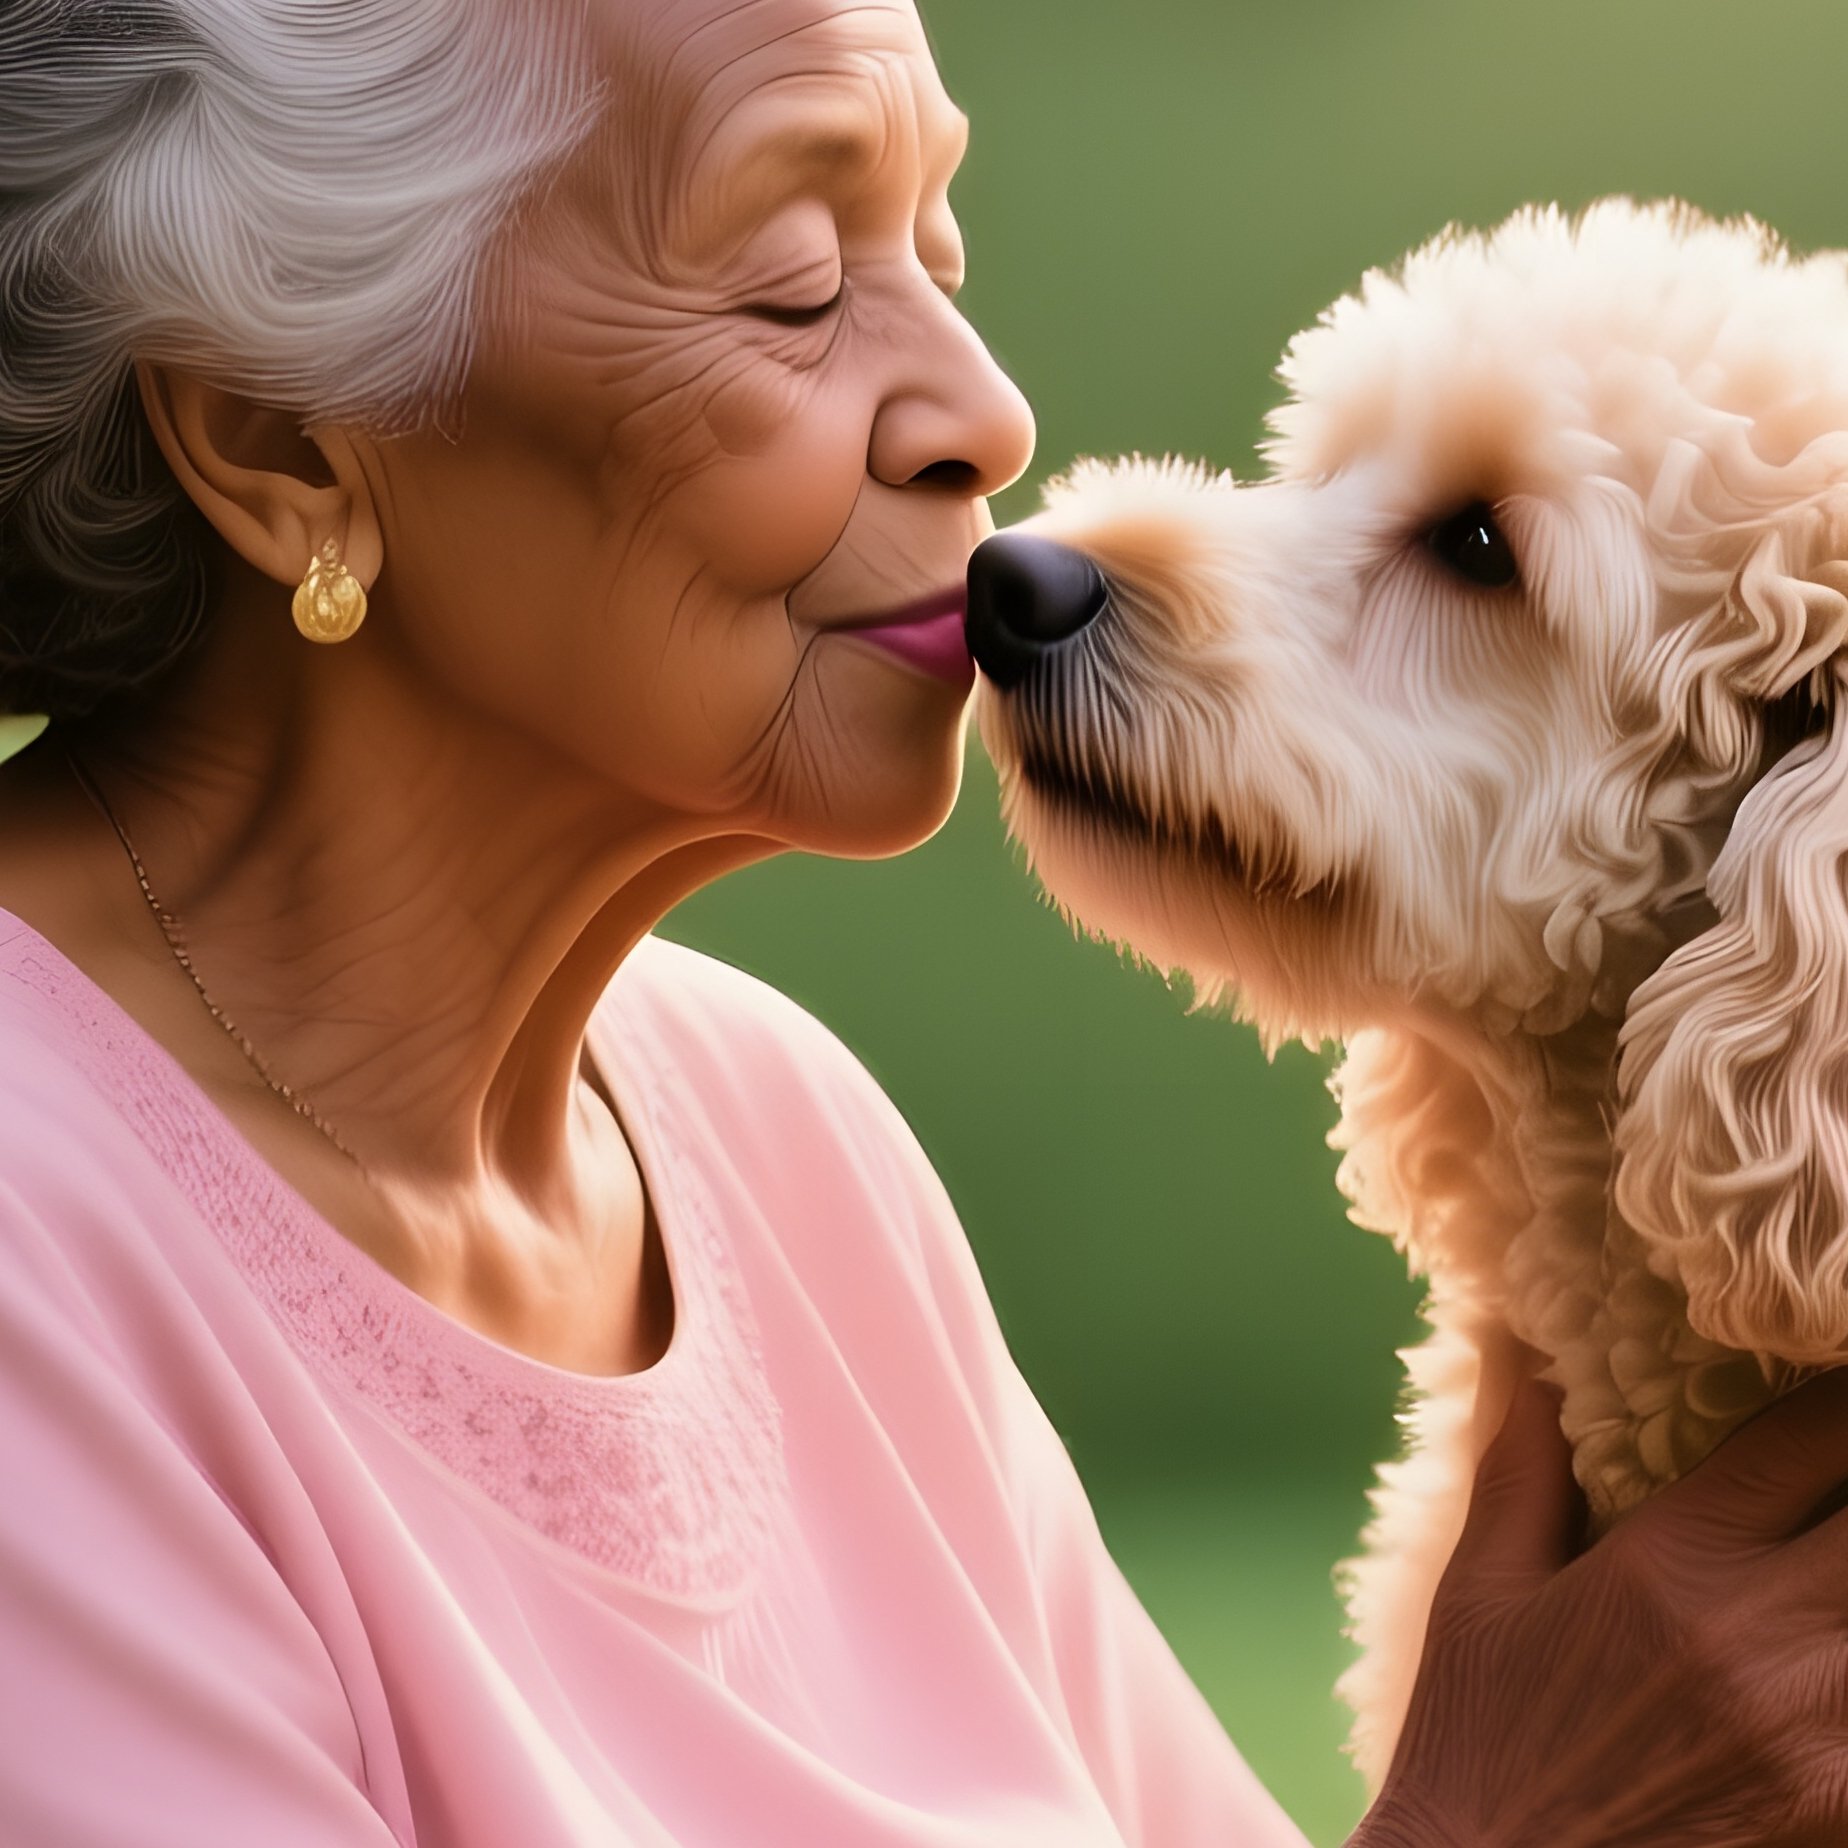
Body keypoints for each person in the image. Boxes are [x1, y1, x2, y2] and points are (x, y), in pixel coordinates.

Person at [2, 1, 1848, 1842]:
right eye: (796, 284)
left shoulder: (776, 1139)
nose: (989, 415)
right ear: (280, 439)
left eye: (934, 254)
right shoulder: (44, 1265)